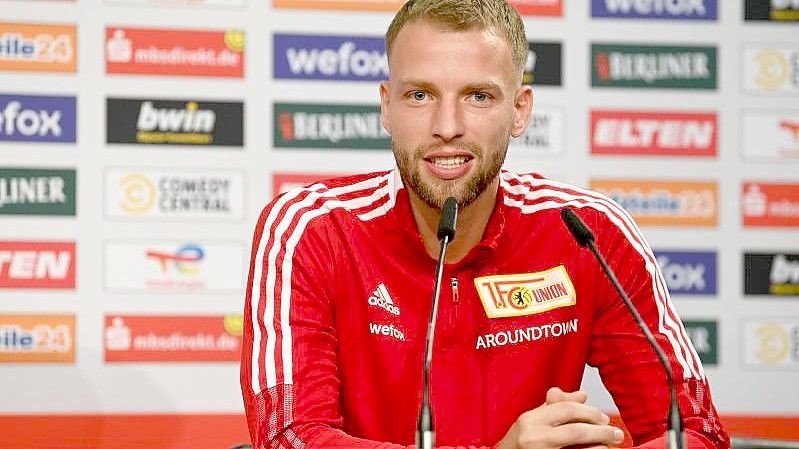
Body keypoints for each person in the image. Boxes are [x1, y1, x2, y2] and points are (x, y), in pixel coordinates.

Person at [240, 0, 730, 448]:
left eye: (477, 96)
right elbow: (288, 438)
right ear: (386, 106)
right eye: (419, 95)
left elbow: (694, 432)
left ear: (520, 110)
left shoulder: (588, 232)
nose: (447, 125)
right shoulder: (311, 230)